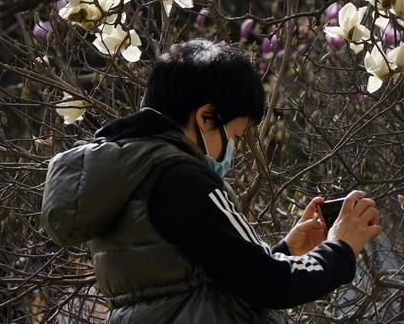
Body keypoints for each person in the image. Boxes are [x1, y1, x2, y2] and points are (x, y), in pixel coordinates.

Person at [41, 39, 381, 323]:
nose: (231, 148)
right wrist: (340, 247)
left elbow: (195, 282)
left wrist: (286, 251)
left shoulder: (130, 175)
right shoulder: (182, 178)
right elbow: (270, 284)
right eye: (234, 134)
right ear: (206, 117)